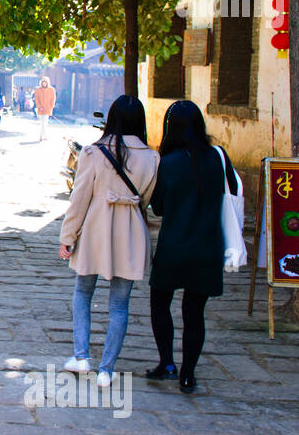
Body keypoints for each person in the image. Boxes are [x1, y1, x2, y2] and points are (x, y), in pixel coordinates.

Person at [58, 95, 160, 386]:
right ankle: (107, 369)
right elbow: (147, 198)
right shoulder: (152, 157)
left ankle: (81, 356)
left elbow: (79, 199)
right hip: (131, 229)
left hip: (95, 229)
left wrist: (68, 236)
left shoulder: (93, 152)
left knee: (83, 291)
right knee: (119, 303)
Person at [145, 100, 232, 394]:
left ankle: (166, 362)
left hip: (174, 245)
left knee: (160, 303)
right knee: (195, 312)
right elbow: (231, 192)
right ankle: (188, 374)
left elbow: (157, 208)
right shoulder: (219, 158)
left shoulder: (167, 162)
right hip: (208, 246)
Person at [34, 76, 56, 141]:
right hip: (40, 109)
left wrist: (51, 107)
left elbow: (53, 99)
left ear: (47, 83)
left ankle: (41, 136)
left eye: (45, 83)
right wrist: (39, 106)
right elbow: (36, 99)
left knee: (45, 122)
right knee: (42, 123)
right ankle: (45, 135)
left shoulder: (51, 90)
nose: (44, 84)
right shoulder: (38, 90)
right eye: (43, 83)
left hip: (47, 109)